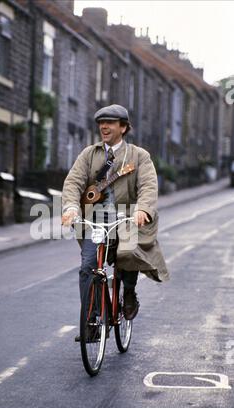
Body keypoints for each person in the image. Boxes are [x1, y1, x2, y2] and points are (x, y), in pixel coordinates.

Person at [62, 104, 169, 336]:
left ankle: (128, 291)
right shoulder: (89, 154)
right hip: (95, 220)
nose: (104, 126)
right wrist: (71, 206)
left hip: (127, 218)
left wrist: (142, 209)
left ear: (123, 127)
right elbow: (74, 182)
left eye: (109, 122)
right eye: (101, 123)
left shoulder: (139, 156)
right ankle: (91, 321)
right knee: (87, 266)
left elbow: (148, 186)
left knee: (128, 254)